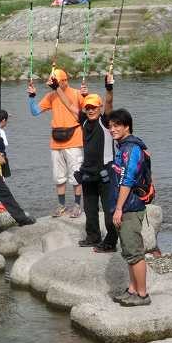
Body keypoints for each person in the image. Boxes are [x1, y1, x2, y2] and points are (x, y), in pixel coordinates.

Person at [59, 73, 118, 252]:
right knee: (90, 210)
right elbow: (69, 105)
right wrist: (56, 88)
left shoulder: (106, 121)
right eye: (88, 108)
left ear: (99, 108)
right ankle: (93, 237)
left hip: (106, 174)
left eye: (93, 107)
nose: (91, 110)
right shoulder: (84, 121)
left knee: (109, 212)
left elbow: (109, 104)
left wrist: (109, 88)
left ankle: (111, 242)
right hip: (88, 174)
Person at [107, 108, 151, 307]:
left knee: (134, 252)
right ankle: (133, 289)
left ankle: (142, 295)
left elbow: (127, 180)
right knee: (128, 250)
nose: (112, 129)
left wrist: (118, 209)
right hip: (127, 206)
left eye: (117, 125)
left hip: (131, 207)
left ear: (127, 126)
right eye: (110, 125)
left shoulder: (130, 148)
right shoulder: (123, 146)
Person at [28, 67, 85, 217]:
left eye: (58, 82)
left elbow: (88, 112)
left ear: (65, 81)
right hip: (56, 140)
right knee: (59, 176)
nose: (56, 84)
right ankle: (61, 205)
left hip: (74, 139)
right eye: (54, 82)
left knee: (76, 175)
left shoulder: (76, 94)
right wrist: (32, 96)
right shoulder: (51, 96)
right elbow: (35, 112)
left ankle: (77, 205)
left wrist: (85, 94)